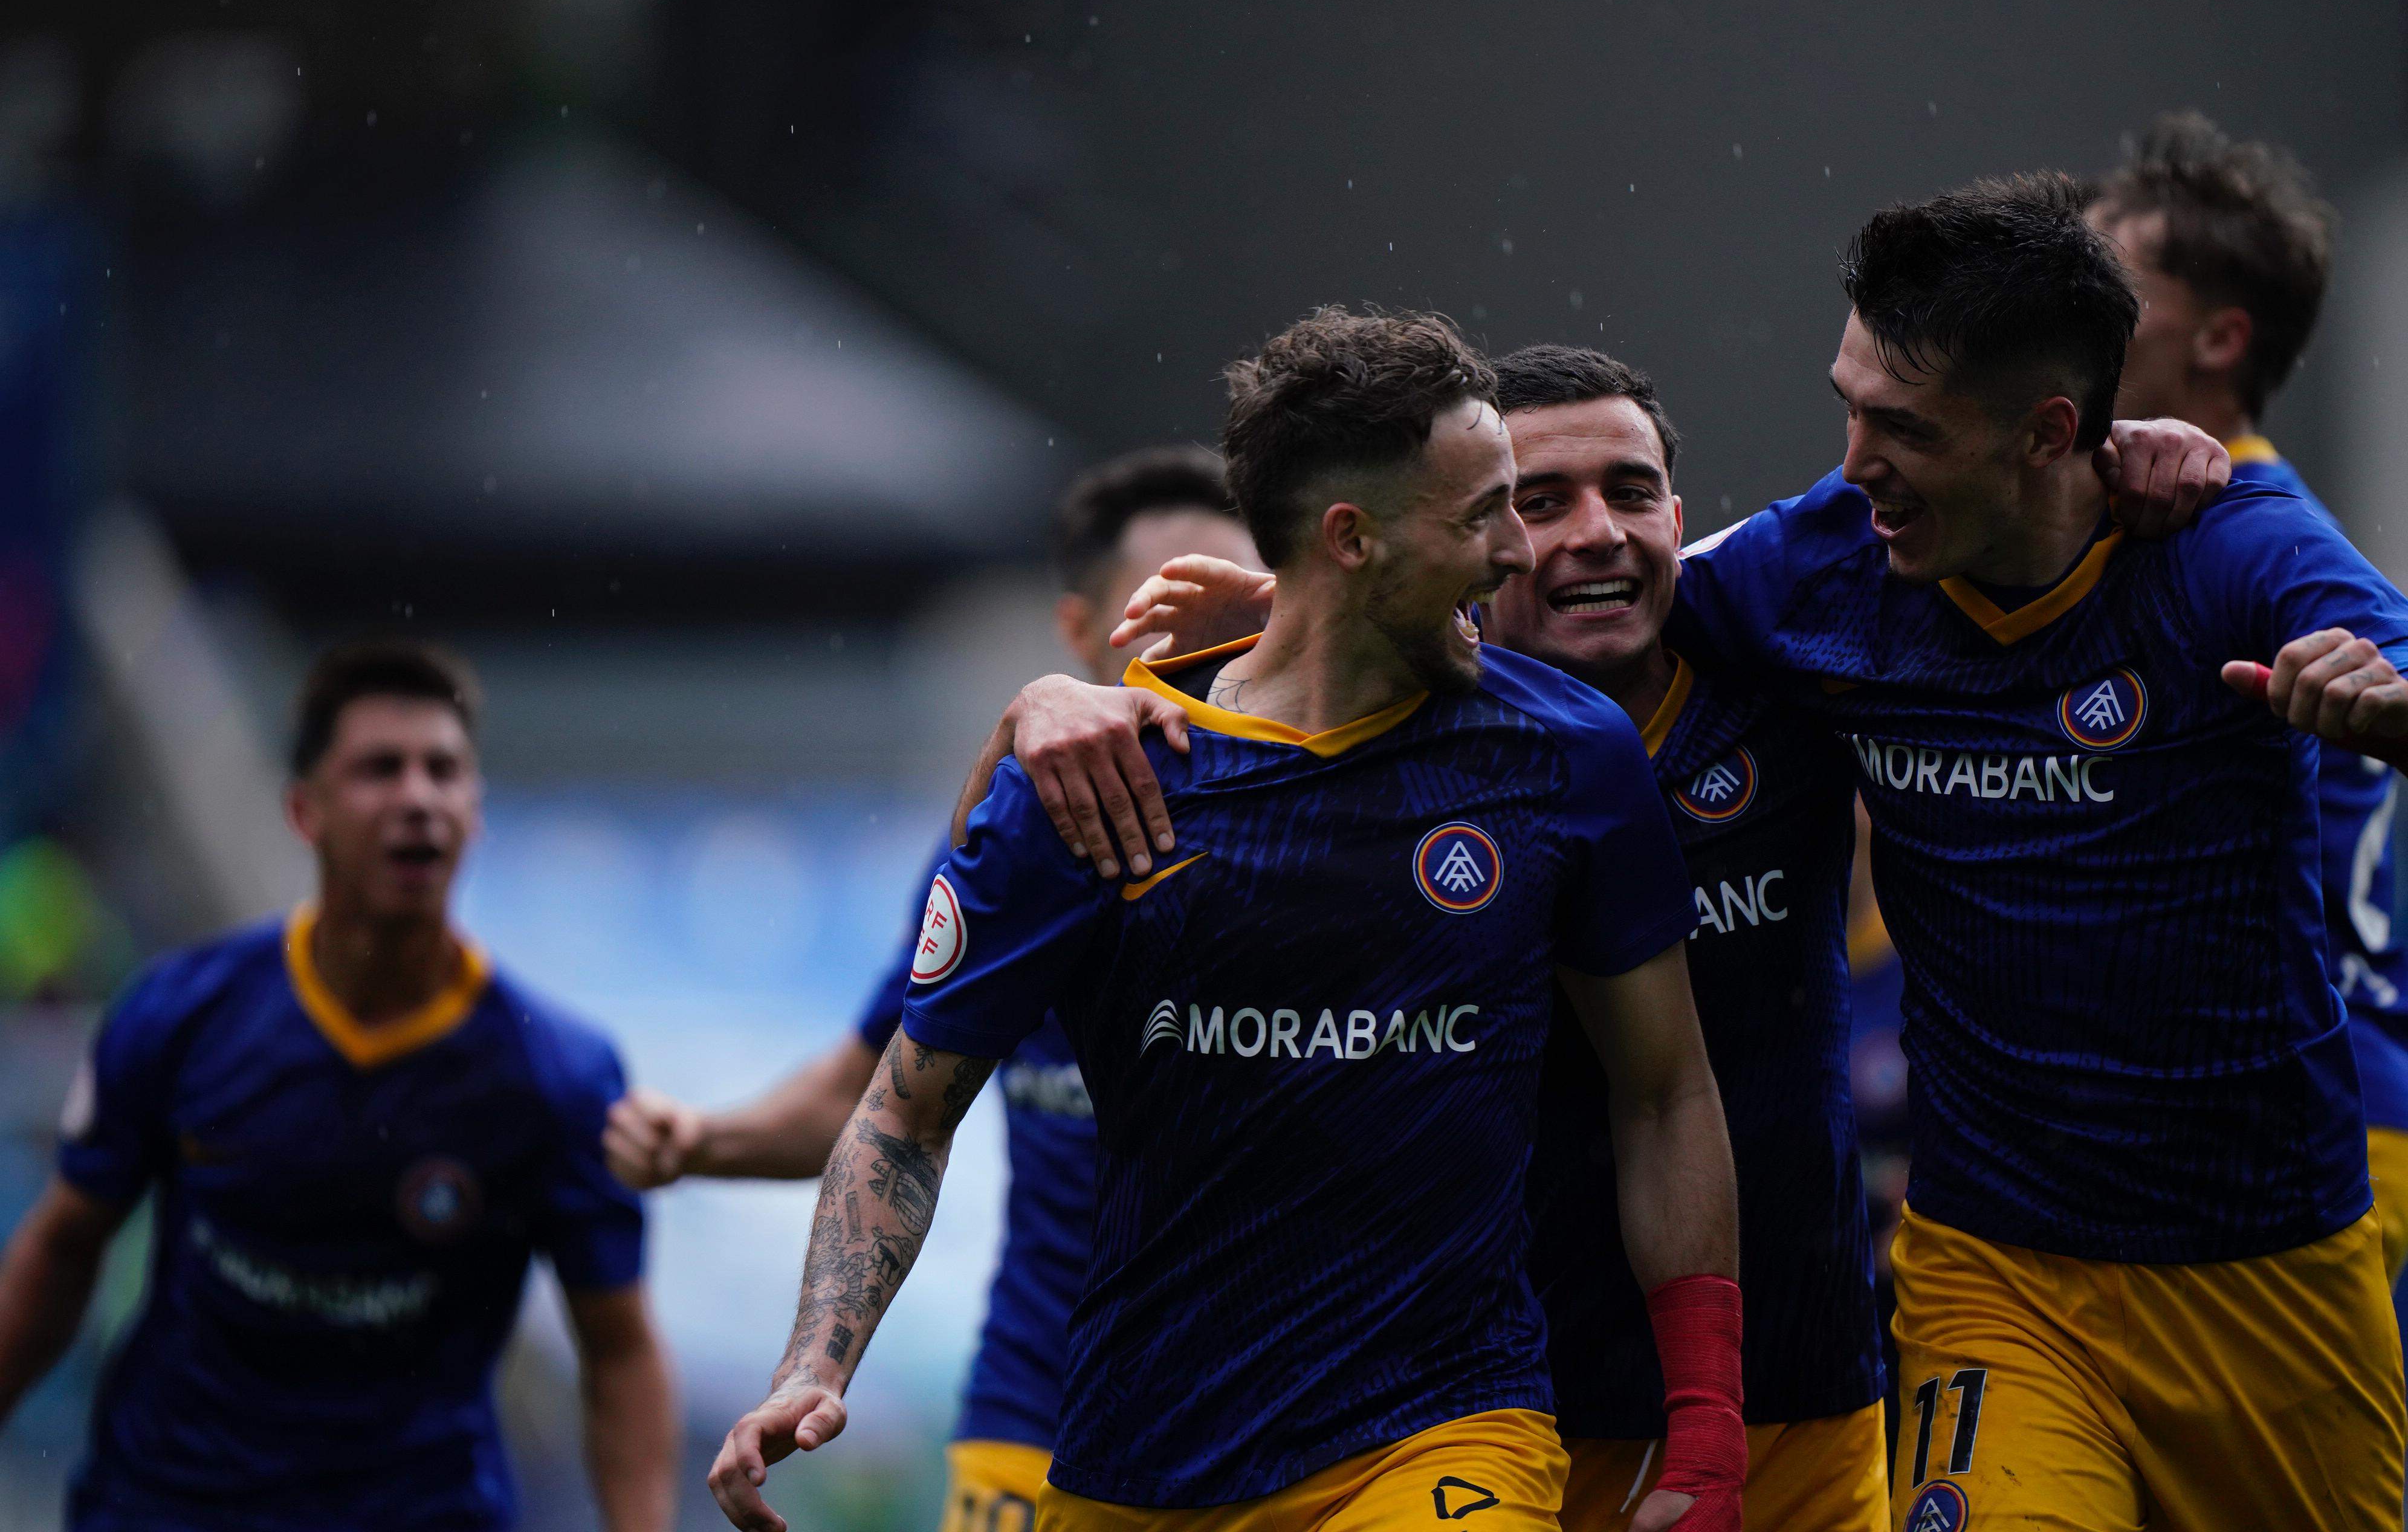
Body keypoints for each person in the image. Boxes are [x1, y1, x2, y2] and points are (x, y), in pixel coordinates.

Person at [707, 307, 1744, 1532]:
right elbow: (903, 1110)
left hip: (1446, 1429)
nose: (1516, 552)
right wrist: (815, 1362)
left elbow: (1665, 1090)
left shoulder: (1565, 754)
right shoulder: (1096, 778)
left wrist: (1708, 1420)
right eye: (1481, 516)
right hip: (1145, 1453)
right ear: (1351, 540)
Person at [1672, 173, 2408, 1531]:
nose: (1852, 463)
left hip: (2272, 1272)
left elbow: (2397, 656)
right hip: (1991, 1269)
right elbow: (1590, 614)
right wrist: (1307, 613)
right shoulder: (1820, 566)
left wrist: (2386, 701)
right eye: (1849, 402)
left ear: (2048, 432)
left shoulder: (2230, 549)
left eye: (1901, 425)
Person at [603, 448, 1260, 1531]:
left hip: (1294, 1421)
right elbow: (876, 1100)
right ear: (1079, 628)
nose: (1201, 644)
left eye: (1235, 608)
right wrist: (698, 1144)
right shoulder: (1012, 847)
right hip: (1038, 1411)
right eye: (1164, 609)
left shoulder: (1333, 825)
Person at [0, 641, 676, 1531]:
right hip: (172, 1503)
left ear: (476, 813)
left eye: (444, 772)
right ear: (304, 811)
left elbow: (619, 1349)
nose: (417, 800)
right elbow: (63, 1244)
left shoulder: (555, 1076)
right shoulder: (181, 1015)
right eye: (379, 770)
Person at [1483, 345, 1886, 1530]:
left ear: (1679, 513)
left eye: (1631, 488)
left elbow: (1961, 491)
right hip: (1503, 1423)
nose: (1596, 530)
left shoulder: (1789, 687)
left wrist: (2136, 443)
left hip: (1798, 1406)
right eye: (1539, 502)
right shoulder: (1406, 741)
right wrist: (1061, 699)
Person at [2089, 114, 2408, 1305]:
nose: (2075, 310)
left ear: (2222, 337)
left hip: (2324, 1129)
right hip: (2223, 1125)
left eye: (2111, 285)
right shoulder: (2144, 518)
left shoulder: (2264, 536)